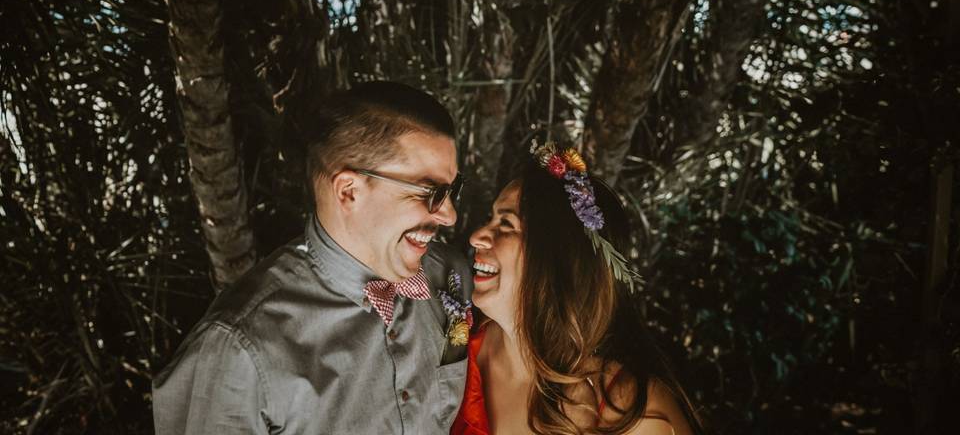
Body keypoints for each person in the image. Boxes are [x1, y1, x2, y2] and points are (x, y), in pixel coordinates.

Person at [153, 81, 473, 434]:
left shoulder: (451, 274)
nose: (450, 215)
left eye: (452, 189)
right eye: (431, 192)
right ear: (349, 191)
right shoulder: (238, 349)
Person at [452, 142, 701, 435]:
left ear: (557, 258)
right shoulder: (457, 345)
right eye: (490, 219)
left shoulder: (630, 410)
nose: (477, 237)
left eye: (506, 224)